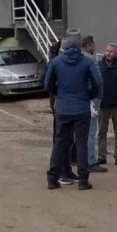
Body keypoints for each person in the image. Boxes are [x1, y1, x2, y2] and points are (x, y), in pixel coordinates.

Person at [45, 29, 102, 190]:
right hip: (82, 107)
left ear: (65, 44)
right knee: (81, 143)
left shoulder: (56, 62)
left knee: (60, 143)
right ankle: (83, 180)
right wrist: (89, 95)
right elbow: (98, 83)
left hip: (63, 108)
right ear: (79, 43)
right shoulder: (87, 62)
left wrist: (59, 94)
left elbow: (47, 84)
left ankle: (52, 178)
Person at [43, 40, 78, 186]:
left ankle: (66, 170)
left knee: (67, 140)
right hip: (61, 106)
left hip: (62, 105)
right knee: (61, 140)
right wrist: (58, 94)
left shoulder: (56, 62)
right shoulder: (56, 63)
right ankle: (60, 173)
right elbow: (47, 82)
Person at [81, 36, 107, 174]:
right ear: (89, 45)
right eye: (93, 45)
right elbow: (97, 82)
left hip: (80, 100)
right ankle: (90, 160)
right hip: (92, 100)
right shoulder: (90, 60)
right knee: (91, 131)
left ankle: (82, 159)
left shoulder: (78, 59)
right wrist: (94, 97)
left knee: (81, 132)